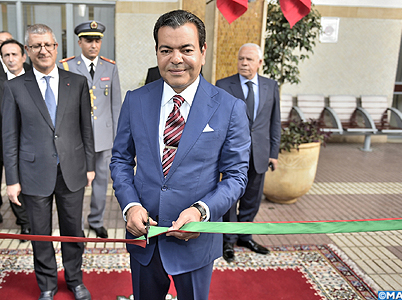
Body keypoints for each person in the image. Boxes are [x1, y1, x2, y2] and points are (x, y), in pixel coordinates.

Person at [110, 10, 251, 300]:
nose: (176, 59)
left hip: (196, 241)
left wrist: (202, 210)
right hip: (144, 238)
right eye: (166, 50)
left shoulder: (229, 107)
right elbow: (121, 160)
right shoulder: (135, 101)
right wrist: (130, 206)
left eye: (186, 49)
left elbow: (236, 176)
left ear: (202, 51)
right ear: (157, 52)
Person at [2, 24, 95, 300]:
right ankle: (46, 285)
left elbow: (85, 128)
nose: (43, 50)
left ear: (56, 48)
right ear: (28, 51)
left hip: (72, 170)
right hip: (32, 172)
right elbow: (9, 137)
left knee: (73, 230)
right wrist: (12, 180)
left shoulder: (76, 82)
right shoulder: (14, 87)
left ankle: (75, 279)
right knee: (40, 234)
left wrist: (90, 165)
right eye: (36, 46)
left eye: (48, 45)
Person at [217, 43, 281, 261]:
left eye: (249, 59)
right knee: (229, 197)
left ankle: (245, 236)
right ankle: (228, 241)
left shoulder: (270, 86)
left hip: (260, 153)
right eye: (241, 59)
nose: (244, 63)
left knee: (252, 198)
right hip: (232, 154)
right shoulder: (224, 85)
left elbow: (274, 121)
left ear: (260, 63)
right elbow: (218, 123)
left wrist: (274, 152)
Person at [58, 21, 121, 239]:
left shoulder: (110, 67)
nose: (93, 45)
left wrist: (117, 139)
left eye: (97, 40)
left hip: (104, 137)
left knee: (102, 182)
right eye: (88, 40)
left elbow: (115, 106)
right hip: (76, 138)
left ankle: (96, 220)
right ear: (79, 42)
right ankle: (74, 223)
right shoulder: (66, 67)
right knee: (75, 182)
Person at [0, 32, 31, 224]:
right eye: (6, 56)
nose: (11, 59)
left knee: (24, 180)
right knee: (1, 177)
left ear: (23, 56)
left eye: (14, 55)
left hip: (28, 142)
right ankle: (1, 210)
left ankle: (24, 220)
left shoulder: (34, 78)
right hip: (2, 141)